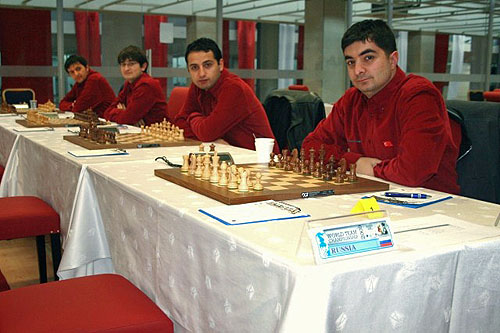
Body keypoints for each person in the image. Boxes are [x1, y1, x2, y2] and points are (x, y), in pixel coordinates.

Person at [302, 20, 459, 194]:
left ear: (393, 60)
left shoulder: (418, 96)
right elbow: (311, 147)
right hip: (373, 197)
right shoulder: (351, 100)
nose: (358, 70)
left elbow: (412, 173)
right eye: (351, 62)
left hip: (431, 204)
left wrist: (370, 169)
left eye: (368, 58)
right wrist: (356, 162)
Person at [173, 37, 278, 153]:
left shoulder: (234, 88)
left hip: (259, 159)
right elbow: (179, 124)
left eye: (207, 65)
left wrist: (192, 117)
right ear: (188, 70)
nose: (201, 73)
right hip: (228, 156)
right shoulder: (198, 85)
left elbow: (207, 132)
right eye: (194, 68)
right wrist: (210, 139)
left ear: (221, 65)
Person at [103, 45, 166, 126]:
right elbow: (107, 113)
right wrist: (124, 113)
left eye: (131, 64)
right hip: (138, 130)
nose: (126, 69)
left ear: (143, 66)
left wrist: (122, 113)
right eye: (123, 64)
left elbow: (127, 119)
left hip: (156, 133)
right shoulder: (129, 83)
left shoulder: (147, 85)